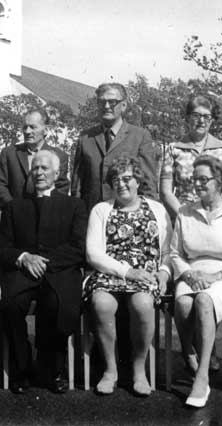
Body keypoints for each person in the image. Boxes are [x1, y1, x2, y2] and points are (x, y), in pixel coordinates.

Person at [0, 150, 87, 394]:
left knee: (56, 304)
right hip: (23, 272)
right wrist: (25, 258)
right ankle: (21, 368)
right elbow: (4, 248)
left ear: (57, 174)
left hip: (59, 271)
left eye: (44, 168)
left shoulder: (74, 205)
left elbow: (79, 247)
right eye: (35, 168)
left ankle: (52, 369)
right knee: (11, 304)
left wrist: (46, 262)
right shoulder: (15, 206)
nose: (38, 172)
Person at [170, 155, 222, 408]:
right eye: (194, 179)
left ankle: (202, 375)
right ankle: (188, 351)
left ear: (219, 181)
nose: (197, 184)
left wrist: (217, 276)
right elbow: (175, 254)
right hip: (192, 274)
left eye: (203, 179)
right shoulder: (185, 212)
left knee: (204, 300)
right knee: (183, 303)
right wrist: (189, 275)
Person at [84, 156, 172, 396]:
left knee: (143, 304)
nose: (121, 184)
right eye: (116, 179)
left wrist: (164, 273)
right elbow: (93, 254)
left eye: (127, 178)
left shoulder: (157, 209)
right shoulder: (101, 210)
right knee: (101, 304)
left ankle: (138, 369)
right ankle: (110, 370)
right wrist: (128, 272)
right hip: (110, 272)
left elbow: (168, 251)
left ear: (138, 181)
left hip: (146, 274)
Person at [71, 82, 158, 210]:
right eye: (102, 102)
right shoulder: (85, 138)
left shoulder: (140, 136)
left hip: (128, 213)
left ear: (123, 105)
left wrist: (148, 213)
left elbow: (148, 184)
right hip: (92, 213)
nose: (106, 106)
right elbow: (77, 185)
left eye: (112, 102)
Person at [160, 94, 222, 221]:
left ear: (212, 120)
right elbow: (166, 192)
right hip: (184, 219)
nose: (201, 121)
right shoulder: (174, 149)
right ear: (187, 118)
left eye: (206, 116)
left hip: (218, 220)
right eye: (196, 115)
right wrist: (185, 220)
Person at [0, 108, 69, 209]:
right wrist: (12, 209)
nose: (27, 131)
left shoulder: (59, 156)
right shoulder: (9, 154)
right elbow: (0, 185)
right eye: (25, 127)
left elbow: (61, 188)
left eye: (33, 127)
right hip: (13, 213)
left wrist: (46, 210)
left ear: (46, 130)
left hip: (46, 213)